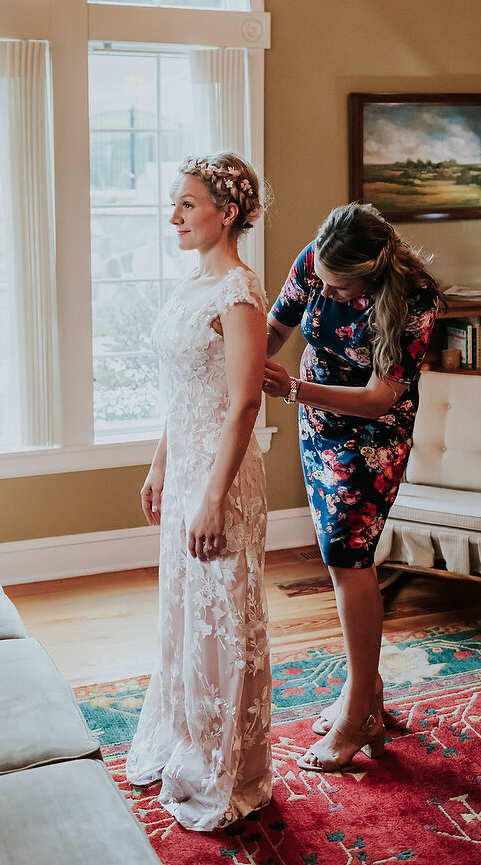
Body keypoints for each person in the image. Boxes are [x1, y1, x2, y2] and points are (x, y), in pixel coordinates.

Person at [264, 202, 443, 773]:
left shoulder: (415, 298)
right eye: (325, 284)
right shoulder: (316, 261)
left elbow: (380, 396)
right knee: (337, 553)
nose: (329, 292)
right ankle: (364, 691)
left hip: (373, 435)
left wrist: (293, 389)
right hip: (317, 423)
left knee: (348, 554)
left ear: (371, 275)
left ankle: (358, 709)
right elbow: (275, 328)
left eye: (341, 290)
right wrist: (230, 365)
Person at [126, 153, 272, 831]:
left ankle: (225, 765)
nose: (174, 216)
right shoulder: (191, 286)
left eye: (186, 204)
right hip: (184, 469)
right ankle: (183, 736)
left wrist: (213, 497)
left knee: (221, 618)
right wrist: (161, 463)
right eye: (175, 203)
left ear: (228, 214)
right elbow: (182, 392)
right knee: (185, 613)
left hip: (222, 475)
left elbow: (244, 404)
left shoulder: (239, 294)